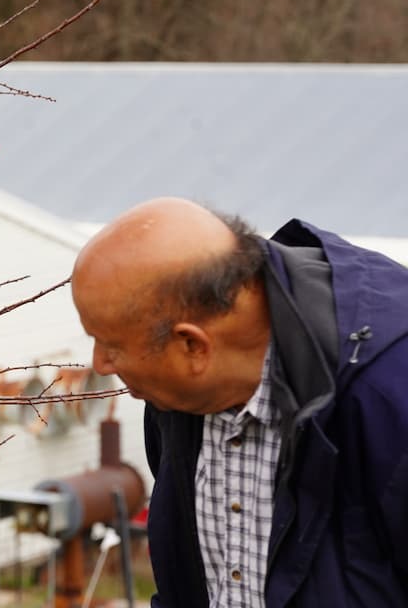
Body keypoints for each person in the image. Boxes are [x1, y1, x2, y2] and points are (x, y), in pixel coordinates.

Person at [70, 196, 408, 607]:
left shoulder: (389, 393)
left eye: (110, 344)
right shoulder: (175, 398)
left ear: (193, 345)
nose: (100, 364)